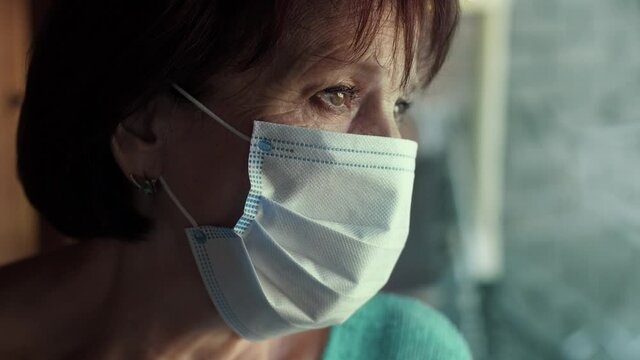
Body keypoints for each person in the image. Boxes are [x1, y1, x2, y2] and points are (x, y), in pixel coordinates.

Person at [0, 0, 471, 359]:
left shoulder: (407, 348)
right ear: (143, 127)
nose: (388, 146)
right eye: (337, 93)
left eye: (400, 104)